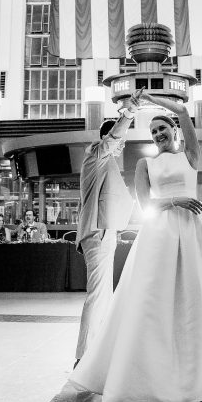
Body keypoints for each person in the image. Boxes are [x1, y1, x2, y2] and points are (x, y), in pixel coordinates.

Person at [70, 92, 202, 402]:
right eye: (152, 131)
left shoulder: (188, 155)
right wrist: (174, 200)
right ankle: (101, 362)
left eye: (162, 129)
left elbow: (181, 110)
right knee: (135, 298)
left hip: (192, 230)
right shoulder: (112, 158)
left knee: (198, 299)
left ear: (174, 130)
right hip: (134, 230)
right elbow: (145, 201)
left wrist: (152, 99)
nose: (157, 134)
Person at [75, 95, 138, 366]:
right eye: (119, 141)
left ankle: (95, 352)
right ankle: (84, 357)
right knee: (99, 295)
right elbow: (112, 140)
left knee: (104, 296)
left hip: (105, 231)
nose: (121, 145)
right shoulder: (96, 156)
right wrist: (129, 114)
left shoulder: (104, 163)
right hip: (98, 232)